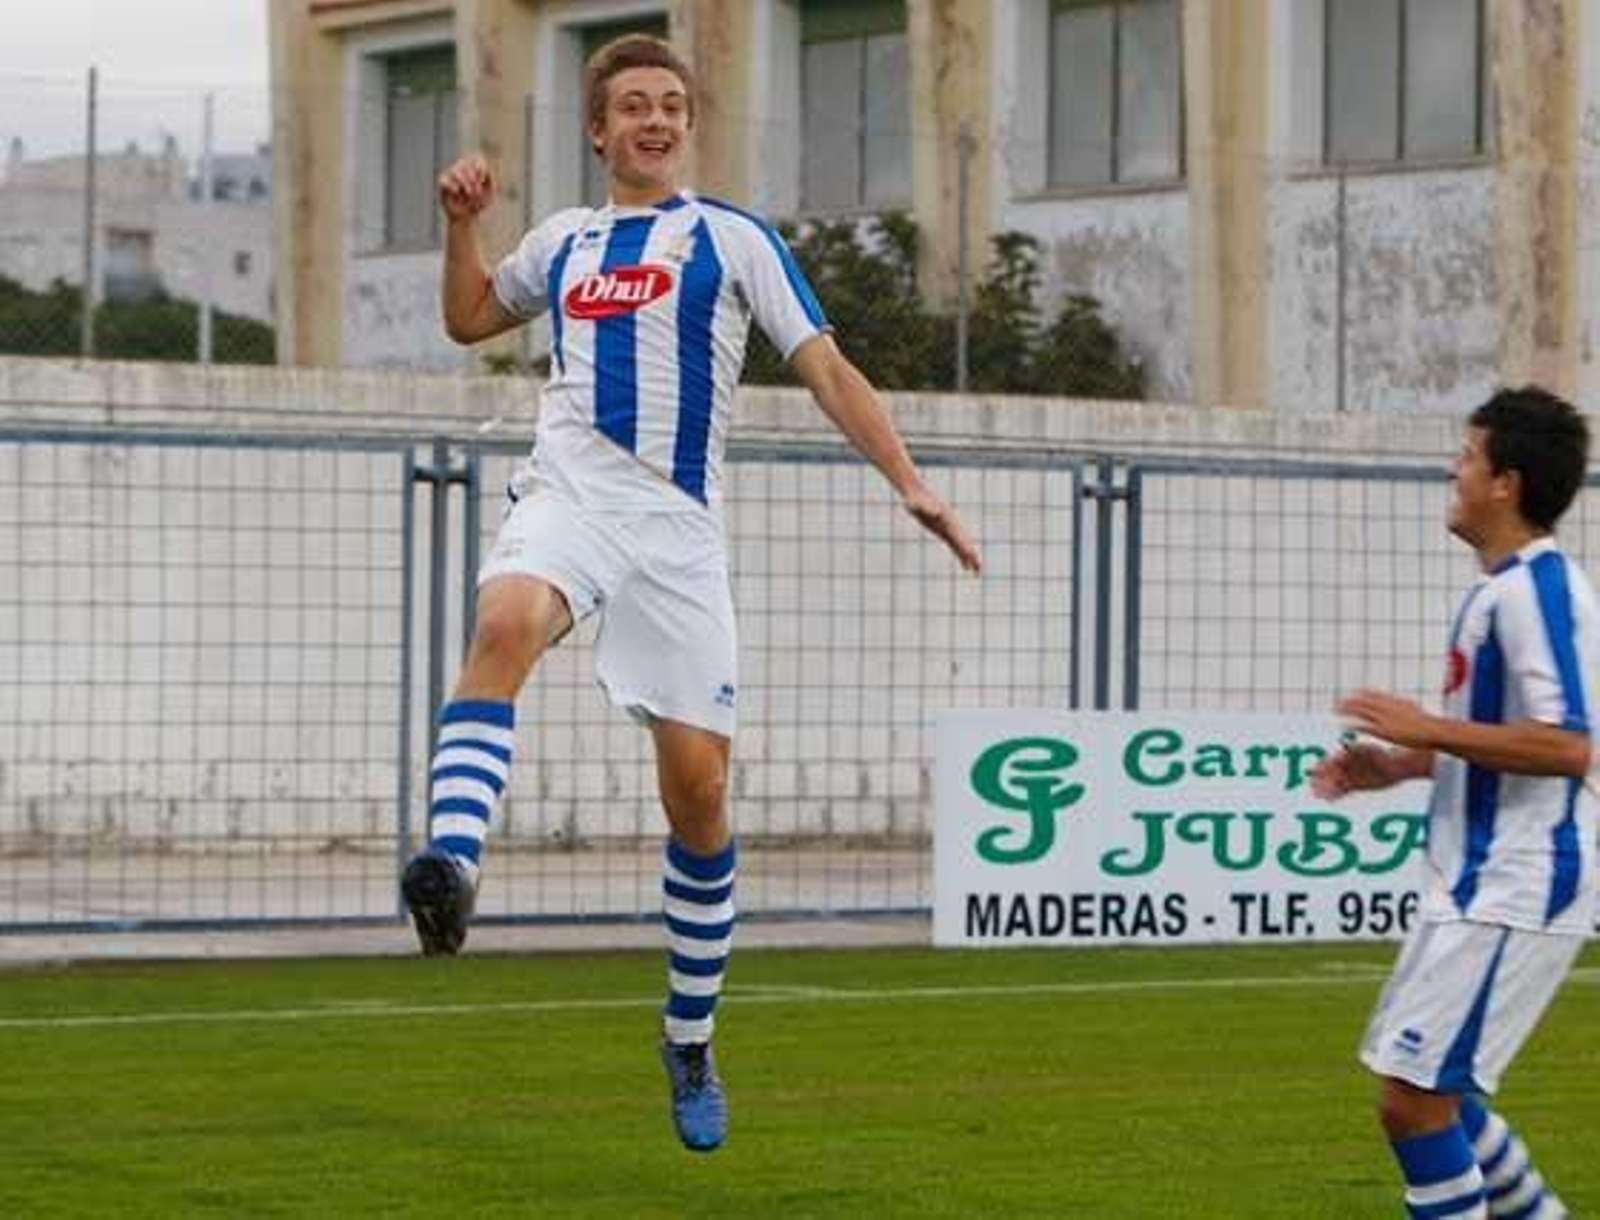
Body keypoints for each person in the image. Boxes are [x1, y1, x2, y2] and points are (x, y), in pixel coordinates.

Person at [399, 33, 981, 1154]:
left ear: (688, 125)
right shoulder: (564, 242)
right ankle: (451, 866)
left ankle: (690, 1035)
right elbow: (469, 319)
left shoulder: (732, 238)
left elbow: (827, 367)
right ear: (597, 130)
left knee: (700, 798)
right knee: (504, 622)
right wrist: (460, 223)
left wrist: (910, 481)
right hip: (569, 496)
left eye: (670, 103)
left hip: (676, 532)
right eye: (632, 105)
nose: (654, 119)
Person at [1310, 386, 1594, 1219]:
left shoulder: (1538, 590)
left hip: (1520, 878)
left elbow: (1568, 744)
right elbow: (1505, 739)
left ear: (1506, 482)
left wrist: (1424, 725)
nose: (1453, 471)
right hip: (1475, 878)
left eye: (1468, 457)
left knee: (1414, 1099)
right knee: (1434, 1090)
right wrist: (1401, 765)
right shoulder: (1499, 590)